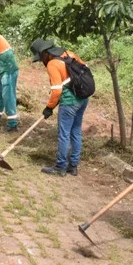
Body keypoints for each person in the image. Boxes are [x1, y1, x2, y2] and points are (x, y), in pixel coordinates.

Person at [30, 38, 88, 177]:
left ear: (44, 53)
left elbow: (57, 91)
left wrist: (49, 107)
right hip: (82, 99)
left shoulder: (52, 64)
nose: (41, 61)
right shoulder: (69, 54)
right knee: (76, 132)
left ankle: (60, 166)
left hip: (69, 102)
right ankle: (73, 166)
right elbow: (84, 69)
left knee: (64, 134)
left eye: (41, 58)